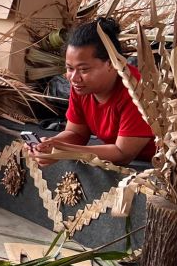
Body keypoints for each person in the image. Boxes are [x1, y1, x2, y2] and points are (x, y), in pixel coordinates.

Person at [31, 18, 155, 167]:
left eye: (84, 69)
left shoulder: (137, 91)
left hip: (156, 167)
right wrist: (50, 144)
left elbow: (123, 154)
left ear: (111, 63)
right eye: (70, 68)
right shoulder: (81, 86)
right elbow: (77, 134)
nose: (74, 78)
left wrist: (62, 150)